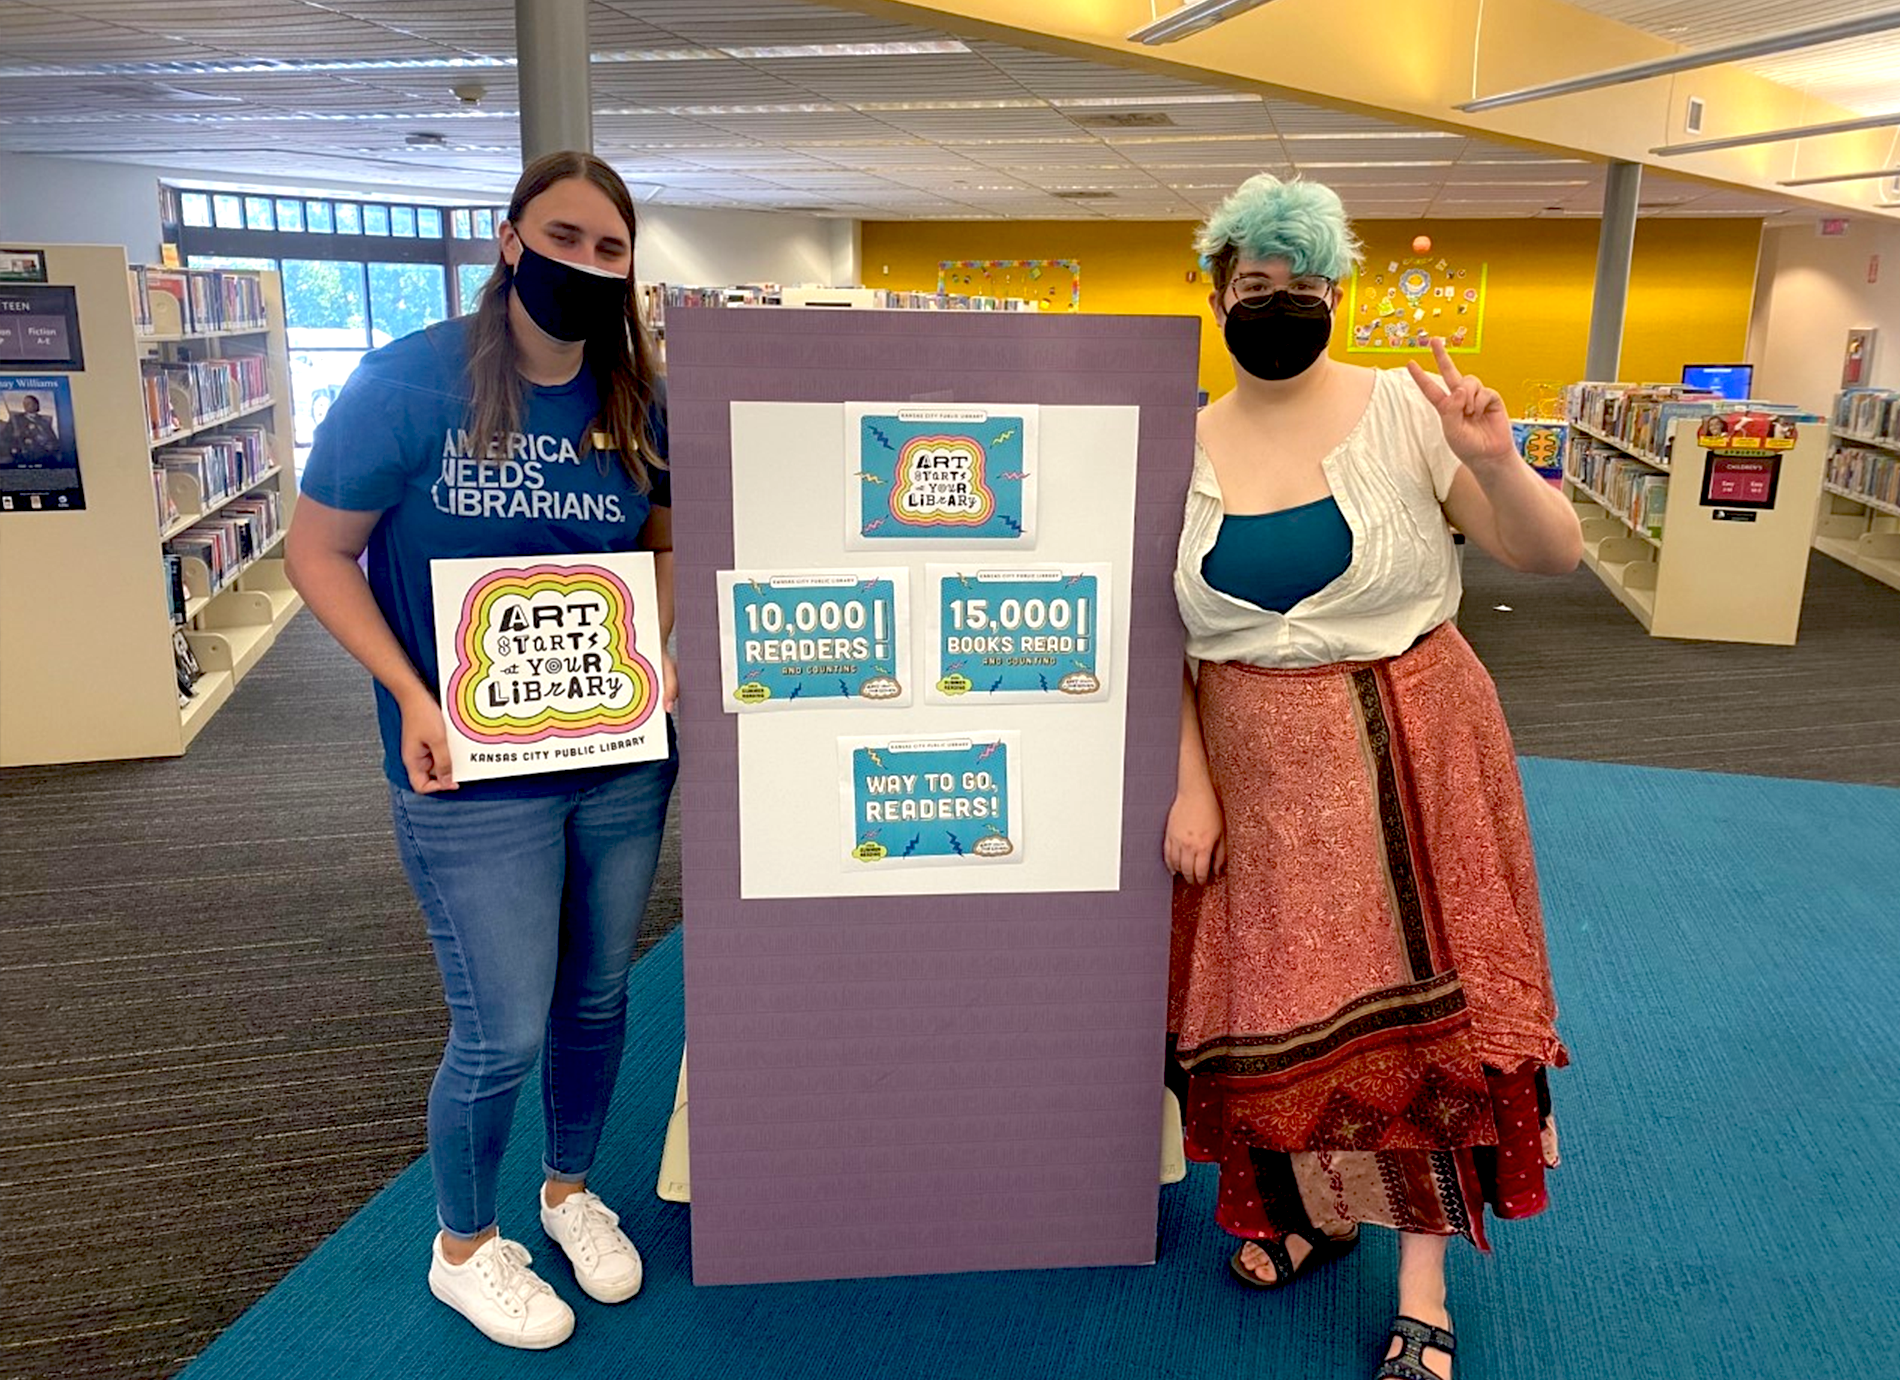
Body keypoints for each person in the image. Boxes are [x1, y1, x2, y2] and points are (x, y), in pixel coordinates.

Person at [1164, 174, 1581, 1380]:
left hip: (1417, 761)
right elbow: (1166, 644)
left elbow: (1544, 556)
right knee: (1281, 1010)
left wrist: (1496, 463)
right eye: (1254, 286)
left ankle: (1422, 1284)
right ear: (1216, 294)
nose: (1278, 304)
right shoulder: (1179, 439)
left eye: (1302, 287)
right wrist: (1192, 783)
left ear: (1338, 293)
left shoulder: (1407, 410)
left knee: (1424, 1023)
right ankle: (1315, 1208)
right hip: (1260, 772)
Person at [286, 150, 678, 1351]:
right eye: (563, 238)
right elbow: (315, 552)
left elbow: (659, 543)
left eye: (610, 250)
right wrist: (407, 692)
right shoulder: (407, 386)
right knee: (501, 1023)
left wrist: (648, 660)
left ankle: (568, 1193)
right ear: (510, 243)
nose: (585, 265)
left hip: (612, 757)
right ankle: (464, 1245)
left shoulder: (629, 395)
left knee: (599, 995)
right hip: (467, 771)